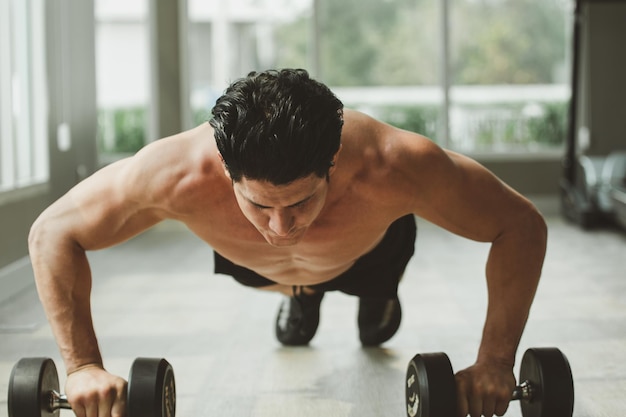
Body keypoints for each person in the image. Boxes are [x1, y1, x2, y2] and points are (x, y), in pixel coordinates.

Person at [29, 68, 547, 417]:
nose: (280, 228)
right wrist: (82, 367)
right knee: (293, 324)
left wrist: (496, 363)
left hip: (368, 252)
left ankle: (376, 294)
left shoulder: (397, 165)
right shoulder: (174, 173)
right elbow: (53, 232)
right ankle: (301, 295)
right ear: (227, 174)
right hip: (258, 269)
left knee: (376, 332)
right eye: (259, 205)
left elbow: (521, 225)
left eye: (300, 203)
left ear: (333, 165)